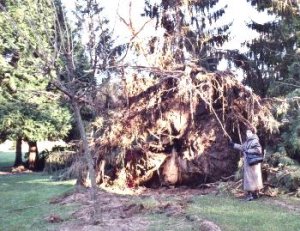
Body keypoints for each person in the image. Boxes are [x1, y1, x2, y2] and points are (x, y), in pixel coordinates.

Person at [229, 128, 263, 201]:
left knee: (252, 178)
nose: (248, 134)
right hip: (249, 163)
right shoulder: (248, 141)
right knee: (250, 178)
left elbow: (258, 150)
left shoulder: (255, 140)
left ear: (252, 133)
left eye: (249, 132)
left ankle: (252, 195)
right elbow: (242, 147)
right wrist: (234, 145)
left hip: (253, 163)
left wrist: (248, 151)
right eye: (247, 132)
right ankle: (253, 194)